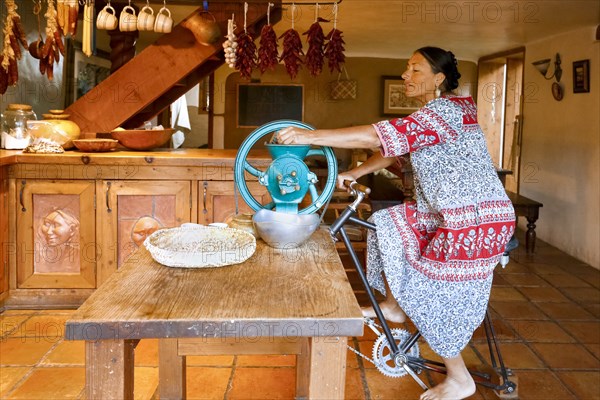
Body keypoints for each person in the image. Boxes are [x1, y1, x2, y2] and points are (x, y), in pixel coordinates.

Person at [277, 47, 516, 400]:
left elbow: (376, 136)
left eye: (415, 70)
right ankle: (395, 305)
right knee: (387, 222)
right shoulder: (436, 114)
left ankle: (459, 377)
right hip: (449, 214)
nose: (406, 75)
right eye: (406, 69)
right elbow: (393, 149)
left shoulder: (446, 111)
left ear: (438, 79)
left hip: (475, 221)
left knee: (432, 291)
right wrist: (355, 172)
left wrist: (308, 136)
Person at [37, 208, 80, 273]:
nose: (48, 232)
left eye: (56, 225)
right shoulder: (41, 255)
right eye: (47, 224)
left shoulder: (78, 257)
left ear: (72, 229)